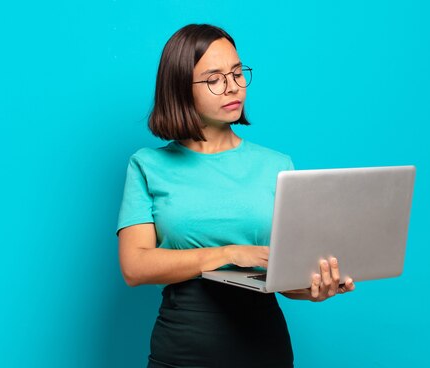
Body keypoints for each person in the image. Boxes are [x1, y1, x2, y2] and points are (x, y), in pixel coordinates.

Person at [116, 23, 356, 368]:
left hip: (264, 346)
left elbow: (287, 275)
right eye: (214, 79)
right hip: (182, 349)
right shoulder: (148, 165)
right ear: (181, 88)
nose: (233, 88)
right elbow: (134, 266)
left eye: (237, 73)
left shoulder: (278, 165)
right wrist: (229, 253)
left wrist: (315, 289)